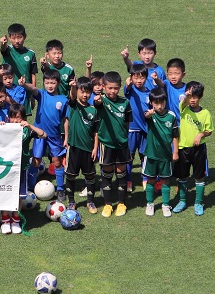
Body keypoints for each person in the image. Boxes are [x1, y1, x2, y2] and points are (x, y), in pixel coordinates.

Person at [21, 68, 68, 205]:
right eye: (47, 82)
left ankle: (60, 188)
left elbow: (66, 120)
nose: (50, 85)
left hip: (54, 136)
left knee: (57, 161)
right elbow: (33, 88)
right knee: (36, 161)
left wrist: (66, 137)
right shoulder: (41, 94)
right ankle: (29, 187)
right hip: (39, 135)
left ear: (58, 83)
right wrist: (24, 84)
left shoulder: (63, 100)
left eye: (52, 82)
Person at [94, 71, 132, 217]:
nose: (113, 91)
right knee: (107, 174)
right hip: (106, 144)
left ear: (120, 87)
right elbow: (97, 104)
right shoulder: (102, 101)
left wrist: (124, 137)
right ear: (103, 87)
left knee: (121, 173)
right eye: (109, 88)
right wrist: (98, 101)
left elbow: (127, 123)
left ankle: (121, 204)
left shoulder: (125, 103)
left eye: (115, 88)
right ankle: (108, 205)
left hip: (122, 144)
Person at [172, 81, 213, 215]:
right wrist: (186, 96)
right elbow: (183, 103)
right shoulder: (184, 108)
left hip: (199, 150)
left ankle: (198, 202)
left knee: (199, 177)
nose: (193, 100)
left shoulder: (206, 113)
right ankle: (182, 200)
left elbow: (209, 130)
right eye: (191, 97)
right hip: (184, 148)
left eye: (195, 97)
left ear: (200, 97)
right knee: (182, 176)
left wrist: (201, 134)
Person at [4, 104, 45, 234]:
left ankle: (15, 220)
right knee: (5, 193)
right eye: (13, 118)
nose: (16, 121)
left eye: (19, 118)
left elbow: (43, 135)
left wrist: (29, 125)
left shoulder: (27, 130)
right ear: (8, 117)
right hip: (6, 168)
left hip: (22, 167)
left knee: (19, 195)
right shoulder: (4, 129)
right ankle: (5, 221)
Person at [64, 77, 100, 213]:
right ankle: (71, 202)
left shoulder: (93, 110)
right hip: (74, 148)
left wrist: (95, 148)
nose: (85, 95)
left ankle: (90, 202)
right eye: (82, 91)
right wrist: (73, 87)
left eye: (88, 92)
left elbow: (96, 131)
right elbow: (72, 97)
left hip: (88, 149)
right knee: (71, 176)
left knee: (90, 176)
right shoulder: (74, 106)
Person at [142, 89, 180, 217]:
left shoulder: (171, 116)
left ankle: (165, 205)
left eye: (162, 103)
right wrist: (149, 114)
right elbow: (145, 116)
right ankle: (150, 203)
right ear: (152, 103)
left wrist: (175, 151)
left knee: (165, 180)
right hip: (151, 154)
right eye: (156, 103)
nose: (159, 106)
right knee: (151, 179)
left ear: (165, 102)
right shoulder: (150, 114)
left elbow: (175, 136)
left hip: (166, 155)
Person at [124, 62, 152, 195]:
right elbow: (126, 89)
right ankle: (128, 180)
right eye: (136, 77)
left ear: (146, 78)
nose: (139, 80)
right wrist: (129, 83)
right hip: (131, 130)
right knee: (129, 156)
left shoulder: (149, 92)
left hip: (145, 130)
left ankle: (145, 178)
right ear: (131, 77)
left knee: (144, 155)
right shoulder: (130, 89)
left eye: (141, 77)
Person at [0, 23, 37, 89]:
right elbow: (3, 49)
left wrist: (33, 92)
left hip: (25, 92)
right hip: (8, 91)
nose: (17, 41)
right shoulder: (8, 50)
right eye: (13, 38)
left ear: (25, 36)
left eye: (19, 37)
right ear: (10, 38)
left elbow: (33, 74)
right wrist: (2, 44)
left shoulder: (31, 53)